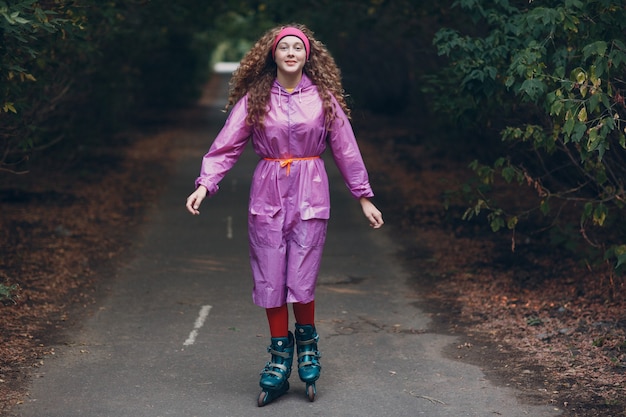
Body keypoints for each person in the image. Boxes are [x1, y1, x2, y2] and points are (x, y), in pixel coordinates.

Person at [185, 23, 383, 406]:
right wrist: (205, 184)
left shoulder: (324, 99)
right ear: (272, 54)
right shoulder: (255, 99)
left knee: (302, 272)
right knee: (270, 272)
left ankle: (307, 343)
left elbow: (346, 150)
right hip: (268, 189)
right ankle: (279, 355)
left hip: (310, 187)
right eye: (284, 47)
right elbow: (226, 146)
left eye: (298, 47)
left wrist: (364, 196)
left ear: (308, 55)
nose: (291, 52)